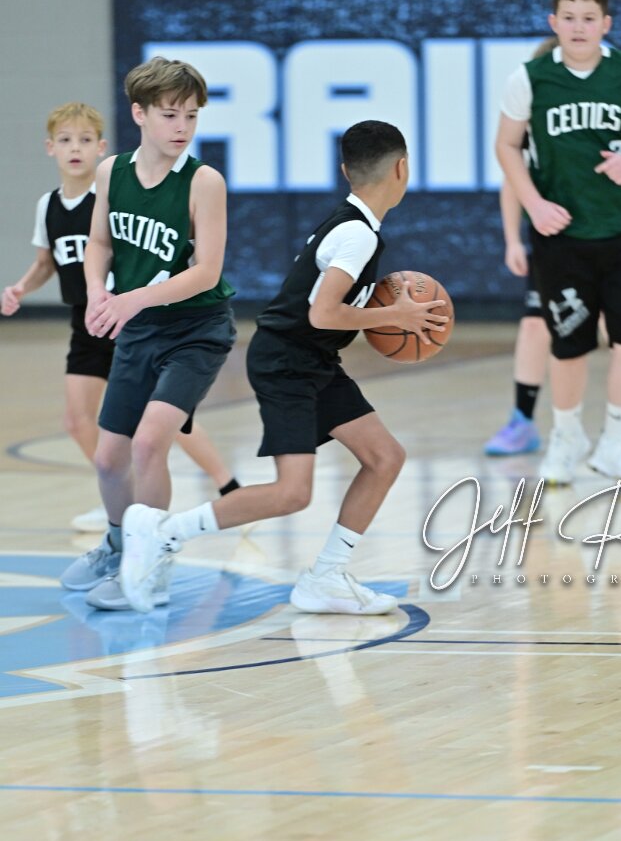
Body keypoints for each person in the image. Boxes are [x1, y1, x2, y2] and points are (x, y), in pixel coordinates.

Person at [116, 120, 449, 615]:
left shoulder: (350, 224)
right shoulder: (356, 234)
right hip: (287, 361)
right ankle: (164, 532)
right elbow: (323, 313)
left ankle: (327, 576)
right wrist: (395, 316)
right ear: (402, 168)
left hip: (311, 358)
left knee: (385, 457)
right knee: (293, 493)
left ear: (345, 171)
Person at [1, 101, 240, 534]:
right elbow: (47, 262)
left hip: (130, 315)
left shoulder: (116, 187)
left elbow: (193, 265)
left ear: (101, 146)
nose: (75, 149)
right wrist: (20, 288)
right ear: (50, 147)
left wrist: (123, 299)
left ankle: (228, 487)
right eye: (66, 140)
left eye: (85, 140)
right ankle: (115, 497)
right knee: (79, 420)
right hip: (87, 318)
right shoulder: (48, 205)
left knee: (160, 423)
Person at [58, 58, 237, 610]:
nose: (182, 127)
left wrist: (129, 299)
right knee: (108, 459)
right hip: (140, 331)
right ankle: (117, 547)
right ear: (139, 114)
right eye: (170, 115)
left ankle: (151, 566)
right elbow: (100, 243)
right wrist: (97, 291)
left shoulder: (204, 182)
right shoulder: (111, 172)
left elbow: (207, 272)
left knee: (150, 441)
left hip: (196, 330)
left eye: (191, 115)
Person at [495, 0, 621, 485]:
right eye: (568, 18)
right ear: (554, 22)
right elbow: (506, 147)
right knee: (568, 345)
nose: (578, 27)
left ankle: (617, 443)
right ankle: (566, 437)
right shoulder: (529, 79)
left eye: (588, 18)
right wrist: (533, 206)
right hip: (562, 237)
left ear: (605, 24)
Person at [485, 158, 621, 458]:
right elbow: (512, 177)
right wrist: (512, 240)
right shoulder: (529, 136)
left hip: (607, 237)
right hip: (554, 243)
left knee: (617, 326)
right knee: (535, 324)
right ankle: (522, 419)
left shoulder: (599, 134)